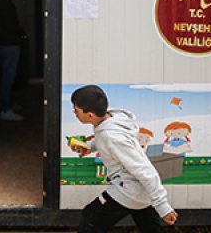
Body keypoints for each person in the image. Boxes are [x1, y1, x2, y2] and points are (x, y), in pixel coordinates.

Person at [71, 85, 177, 232]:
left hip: (128, 190)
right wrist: (90, 146)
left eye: (76, 110)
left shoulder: (113, 137)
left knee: (90, 218)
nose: (74, 112)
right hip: (139, 190)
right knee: (149, 226)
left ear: (90, 115)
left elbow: (144, 169)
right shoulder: (111, 120)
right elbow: (106, 138)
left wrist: (162, 205)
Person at [0, 0, 24, 121]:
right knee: (8, 77)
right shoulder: (6, 4)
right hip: (10, 44)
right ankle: (6, 109)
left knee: (5, 76)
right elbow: (11, 25)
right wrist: (21, 31)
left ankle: (7, 103)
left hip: (2, 43)